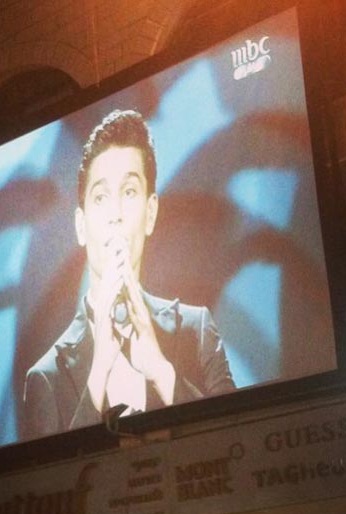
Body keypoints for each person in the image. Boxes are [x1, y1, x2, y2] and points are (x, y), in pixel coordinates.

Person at [23, 109, 234, 437]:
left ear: (150, 213)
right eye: (101, 197)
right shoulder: (46, 376)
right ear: (81, 226)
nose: (116, 214)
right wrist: (98, 373)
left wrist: (162, 372)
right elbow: (59, 469)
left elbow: (236, 440)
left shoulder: (197, 331)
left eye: (130, 192)